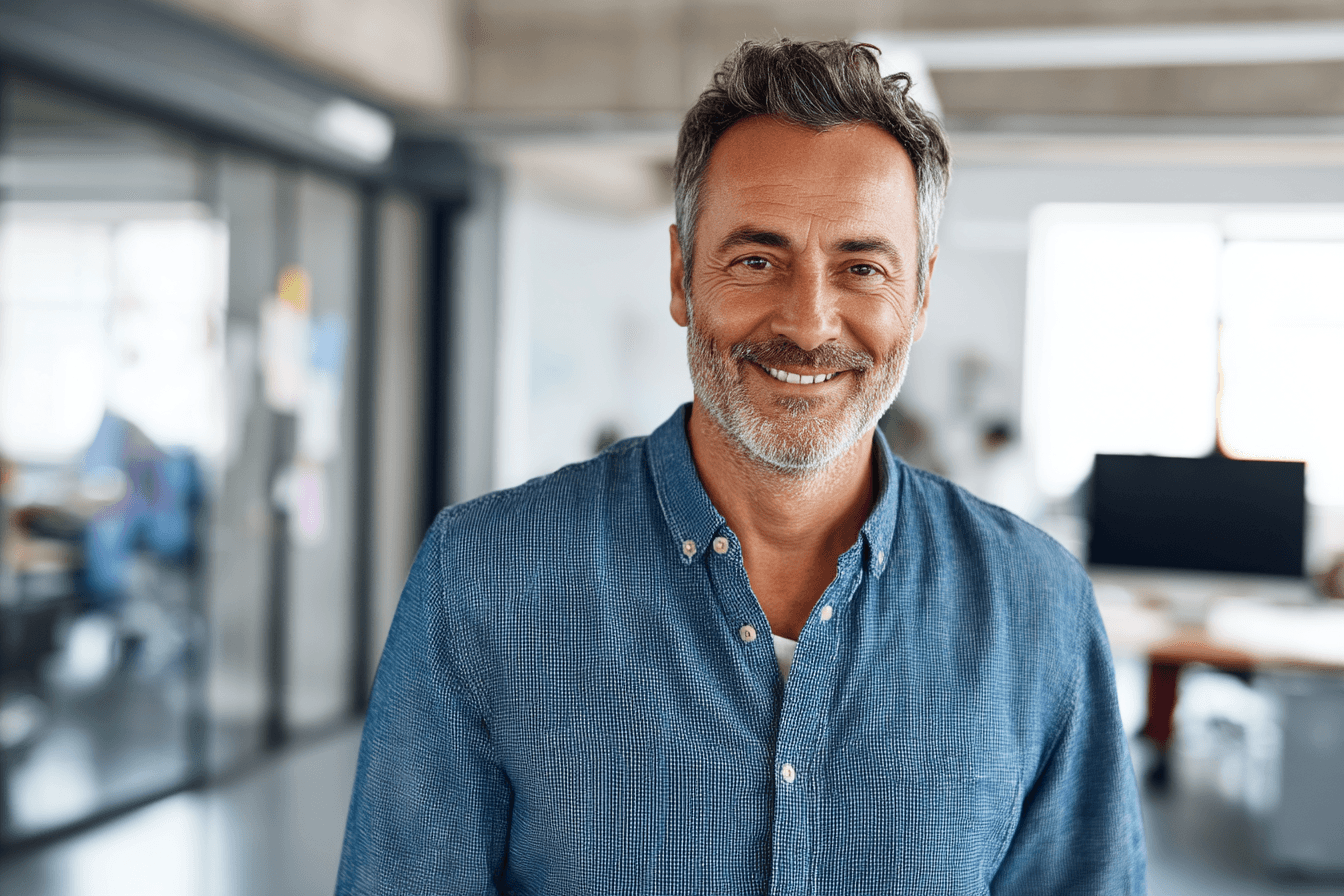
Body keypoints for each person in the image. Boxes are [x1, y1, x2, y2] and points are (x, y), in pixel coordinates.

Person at [337, 38, 1145, 895]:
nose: (807, 321)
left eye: (862, 267)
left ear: (920, 295)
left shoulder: (1039, 610)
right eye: (757, 260)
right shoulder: (485, 578)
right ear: (683, 274)